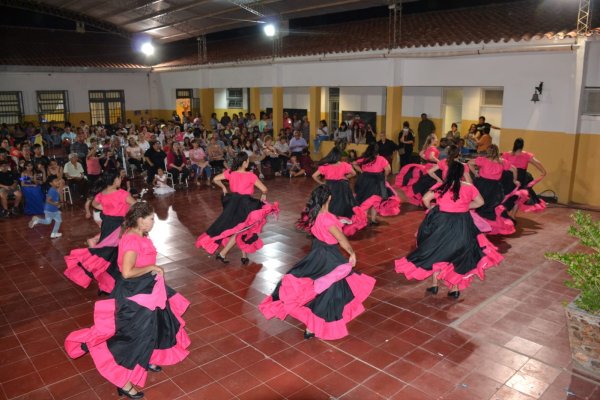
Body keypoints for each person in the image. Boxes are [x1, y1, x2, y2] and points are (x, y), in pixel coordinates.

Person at [65, 202, 191, 399]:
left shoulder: (139, 234)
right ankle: (123, 383)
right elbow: (127, 272)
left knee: (154, 327)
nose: (153, 222)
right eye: (150, 219)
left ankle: (146, 357)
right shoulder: (132, 239)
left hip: (146, 290)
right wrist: (152, 269)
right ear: (140, 220)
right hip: (135, 294)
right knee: (133, 337)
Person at [259, 185, 376, 340]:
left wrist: (338, 222)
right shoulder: (328, 219)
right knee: (330, 289)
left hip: (317, 253)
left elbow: (325, 227)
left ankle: (312, 325)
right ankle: (313, 325)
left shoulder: (313, 214)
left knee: (319, 285)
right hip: (329, 255)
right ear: (329, 198)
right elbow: (340, 239)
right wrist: (352, 253)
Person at [395, 162, 504, 299]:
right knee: (458, 254)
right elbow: (480, 202)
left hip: (442, 222)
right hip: (462, 223)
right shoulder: (469, 187)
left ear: (448, 172)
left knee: (437, 251)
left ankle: (434, 285)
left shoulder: (441, 187)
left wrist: (433, 208)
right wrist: (464, 206)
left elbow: (425, 199)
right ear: (461, 173)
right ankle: (455, 288)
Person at [196, 152, 279, 264]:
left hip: (232, 203)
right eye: (248, 161)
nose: (249, 163)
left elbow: (215, 179)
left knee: (241, 228)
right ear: (244, 163)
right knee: (240, 229)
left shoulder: (231, 173)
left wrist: (223, 187)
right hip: (244, 204)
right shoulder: (250, 175)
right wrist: (264, 194)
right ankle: (222, 254)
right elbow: (264, 189)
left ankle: (244, 256)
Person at [64, 171, 136, 295]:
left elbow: (94, 204)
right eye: (119, 178)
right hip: (120, 226)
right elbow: (136, 205)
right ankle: (113, 285)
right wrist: (126, 211)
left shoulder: (101, 193)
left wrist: (107, 209)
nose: (121, 180)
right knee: (116, 255)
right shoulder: (122, 193)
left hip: (107, 225)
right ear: (114, 180)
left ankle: (105, 285)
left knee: (107, 255)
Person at [299, 147, 367, 237]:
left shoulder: (326, 166)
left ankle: (328, 224)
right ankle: (338, 225)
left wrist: (322, 183)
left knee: (329, 205)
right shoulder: (344, 165)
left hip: (329, 187)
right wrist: (346, 177)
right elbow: (354, 173)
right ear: (339, 156)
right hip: (343, 188)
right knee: (343, 205)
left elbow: (314, 176)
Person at [352, 143, 401, 225]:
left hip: (364, 181)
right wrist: (384, 176)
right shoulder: (381, 159)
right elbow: (388, 169)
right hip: (376, 181)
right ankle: (373, 220)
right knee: (375, 200)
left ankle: (365, 220)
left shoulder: (365, 158)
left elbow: (353, 163)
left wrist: (361, 171)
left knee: (365, 200)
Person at [502, 138, 547, 216]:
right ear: (522, 146)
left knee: (508, 196)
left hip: (509, 178)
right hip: (520, 178)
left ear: (514, 144)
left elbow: (501, 164)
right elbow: (537, 163)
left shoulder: (507, 154)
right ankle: (512, 215)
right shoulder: (526, 155)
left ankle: (505, 214)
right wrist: (544, 172)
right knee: (519, 197)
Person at [395, 134, 440, 206]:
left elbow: (421, 154)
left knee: (422, 183)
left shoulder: (427, 147)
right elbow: (431, 157)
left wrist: (427, 159)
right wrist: (439, 162)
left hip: (426, 166)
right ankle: (427, 199)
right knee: (431, 184)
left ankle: (423, 198)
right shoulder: (433, 148)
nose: (437, 140)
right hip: (432, 167)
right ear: (432, 140)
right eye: (436, 138)